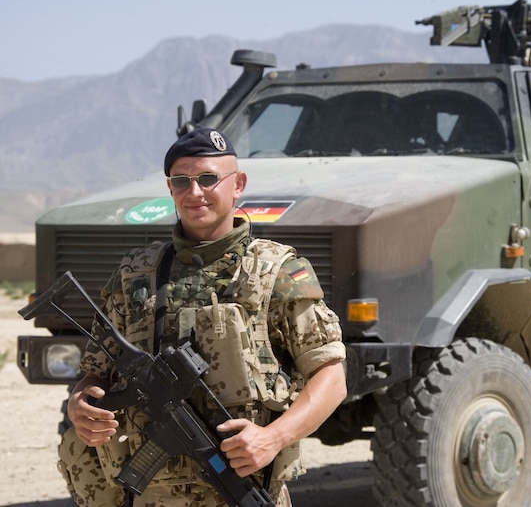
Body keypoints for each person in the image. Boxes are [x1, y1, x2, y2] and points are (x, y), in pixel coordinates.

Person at [60, 127, 347, 506]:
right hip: (147, 496)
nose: (194, 193)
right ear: (170, 188)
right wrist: (80, 405)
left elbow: (330, 377)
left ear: (238, 184)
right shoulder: (135, 275)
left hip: (243, 489)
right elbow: (95, 373)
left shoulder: (278, 272)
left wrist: (272, 438)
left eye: (208, 179)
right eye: (182, 181)